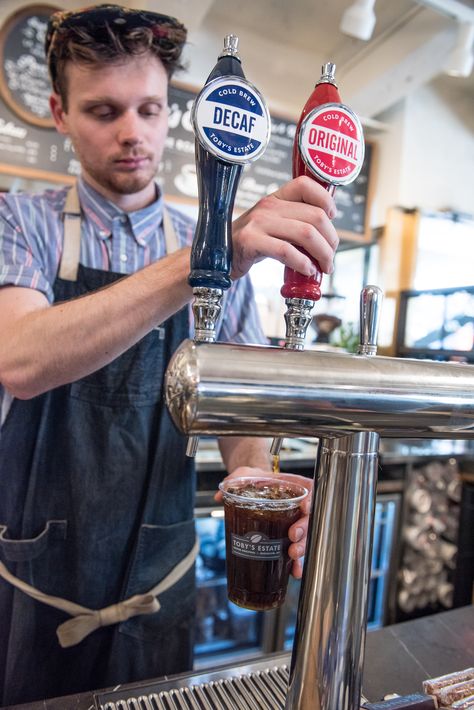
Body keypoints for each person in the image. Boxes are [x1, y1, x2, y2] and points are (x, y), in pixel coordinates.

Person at [0, 4, 339, 705]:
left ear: (173, 113)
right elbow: (21, 359)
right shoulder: (21, 223)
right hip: (33, 600)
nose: (132, 133)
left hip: (162, 592)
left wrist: (260, 484)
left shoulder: (215, 248)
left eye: (150, 109)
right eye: (103, 110)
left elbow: (240, 430)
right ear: (60, 114)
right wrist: (212, 255)